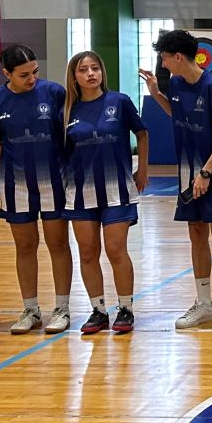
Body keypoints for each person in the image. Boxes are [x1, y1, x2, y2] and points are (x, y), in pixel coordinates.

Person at [141, 29, 212, 331]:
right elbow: (176, 114)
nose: (163, 64)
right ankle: (204, 304)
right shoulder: (176, 83)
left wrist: (206, 173)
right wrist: (156, 94)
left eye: (164, 58)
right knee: (197, 234)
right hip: (187, 171)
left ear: (178, 57)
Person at [0, 44, 74, 335]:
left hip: (54, 181)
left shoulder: (54, 93)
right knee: (25, 246)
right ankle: (30, 309)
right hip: (16, 184)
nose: (32, 78)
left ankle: (62, 308)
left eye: (34, 71)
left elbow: (66, 135)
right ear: (6, 73)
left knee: (58, 244)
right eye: (23, 75)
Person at [63, 50, 148, 336]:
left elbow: (142, 133)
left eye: (95, 68)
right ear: (74, 77)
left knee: (115, 249)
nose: (90, 74)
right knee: (88, 252)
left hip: (117, 189)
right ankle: (98, 311)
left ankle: (126, 309)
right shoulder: (67, 110)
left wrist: (142, 169)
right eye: (83, 69)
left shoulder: (119, 102)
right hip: (79, 192)